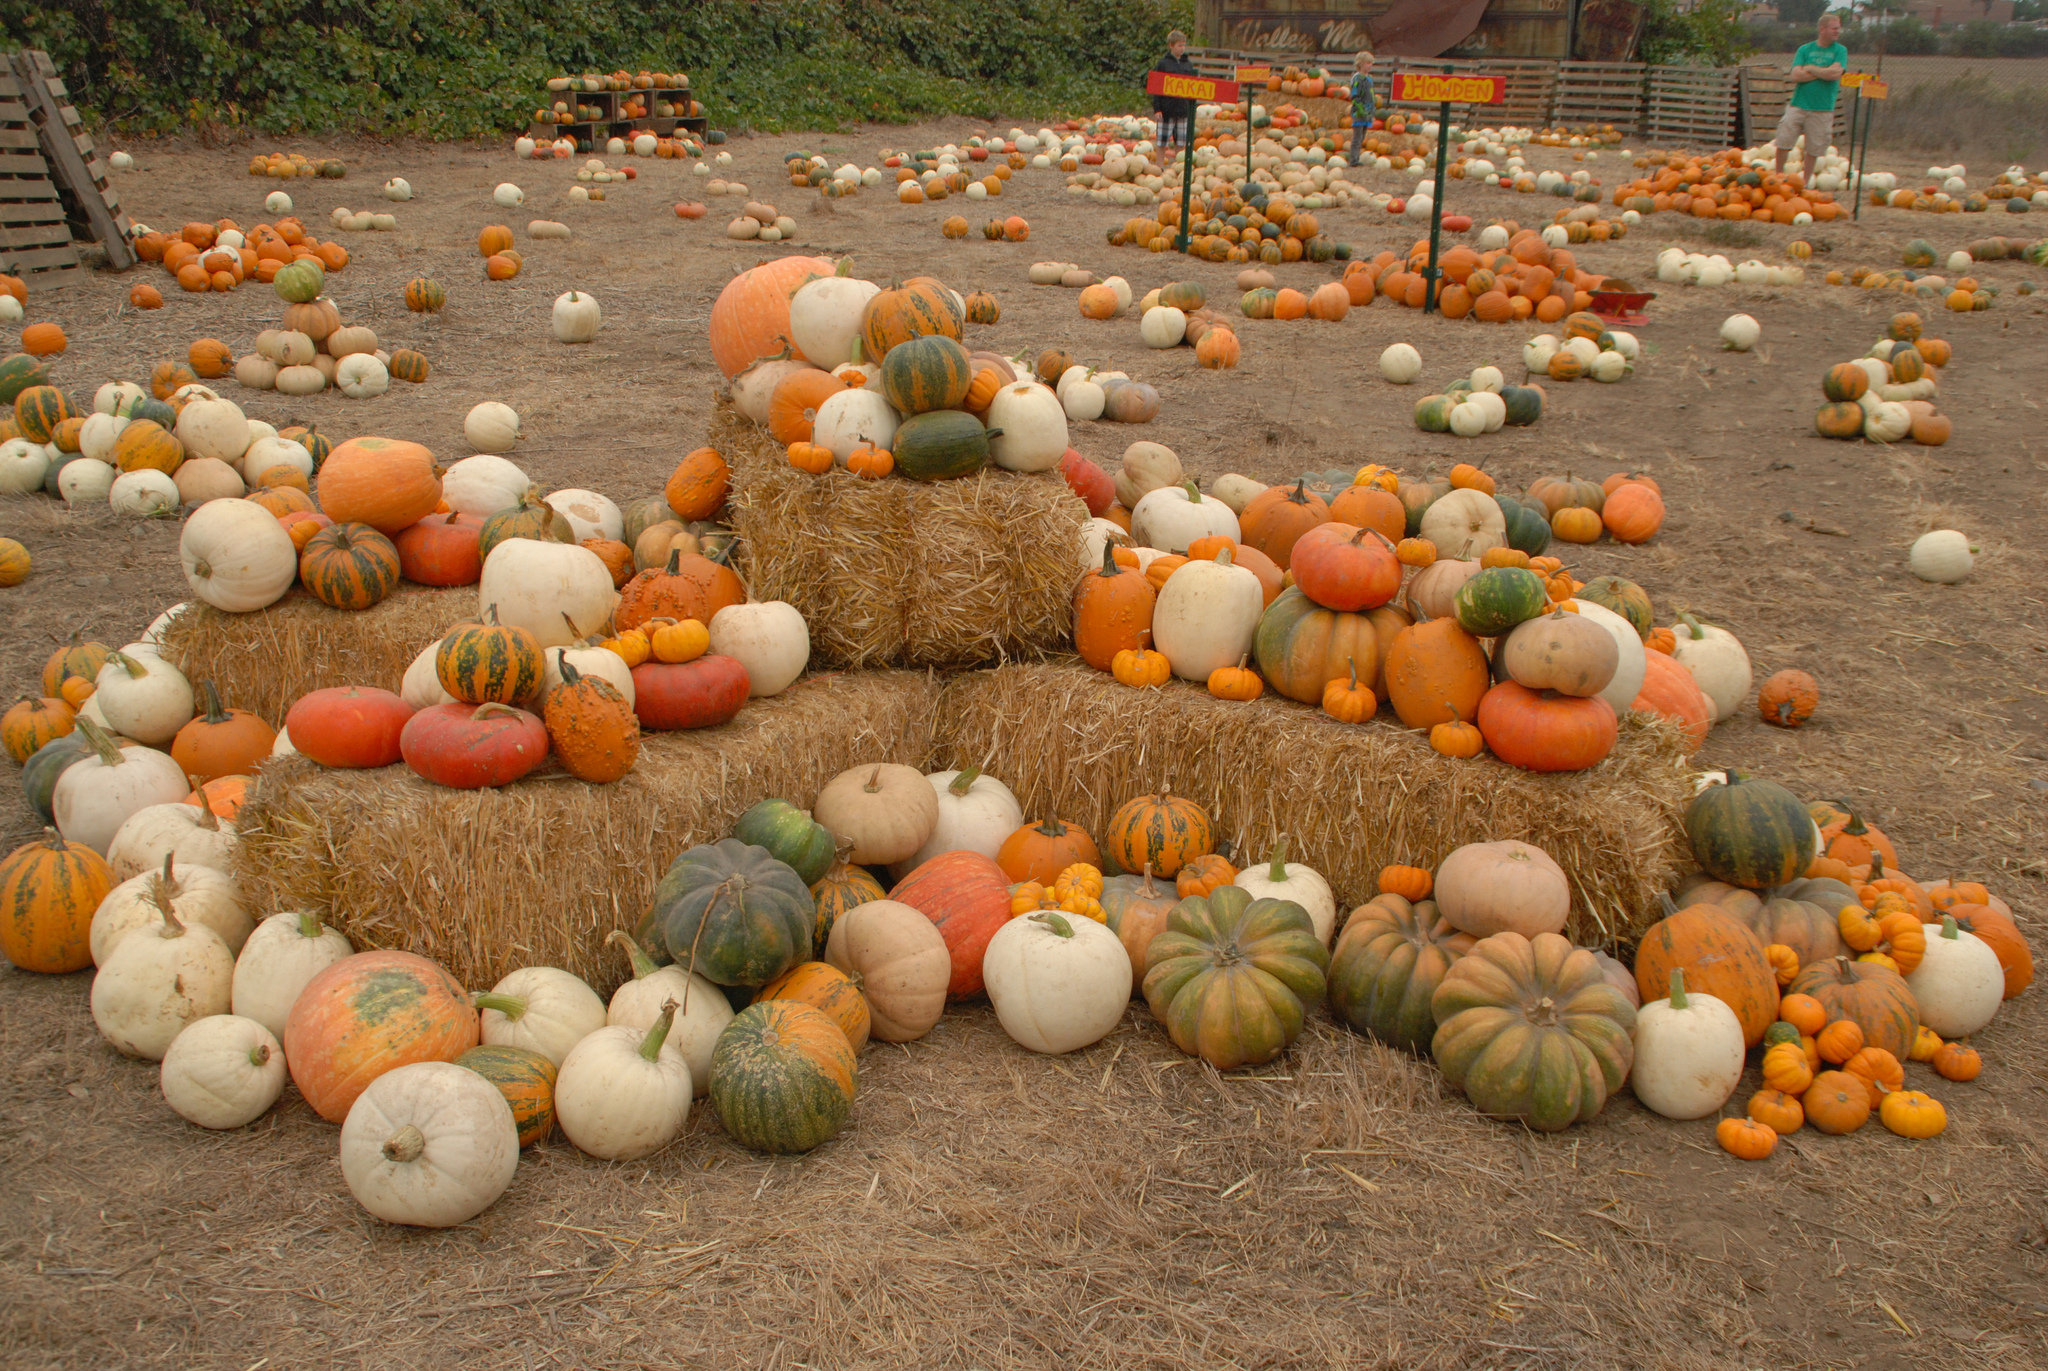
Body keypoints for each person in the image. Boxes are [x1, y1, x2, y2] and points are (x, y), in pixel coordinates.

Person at [1774, 11, 1847, 175]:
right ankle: (1778, 176)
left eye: (1838, 28)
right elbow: (1795, 75)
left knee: (1814, 149)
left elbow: (1835, 74)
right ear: (1823, 29)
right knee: (1783, 141)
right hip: (1798, 105)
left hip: (1822, 108)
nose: (1837, 31)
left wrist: (1811, 68)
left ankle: (1805, 183)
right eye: (1834, 28)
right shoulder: (1805, 49)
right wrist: (1824, 71)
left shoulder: (1840, 51)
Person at [1153, 30, 1196, 152]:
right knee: (1162, 141)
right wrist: (1157, 109)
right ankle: (1159, 166)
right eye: (1179, 45)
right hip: (1167, 109)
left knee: (1181, 141)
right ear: (1171, 45)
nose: (1182, 48)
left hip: (1183, 109)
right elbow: (1156, 87)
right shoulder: (1163, 64)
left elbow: (1193, 87)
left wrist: (1191, 108)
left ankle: (1178, 166)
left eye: (1184, 45)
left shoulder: (1188, 64)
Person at [1347, 50, 1377, 165]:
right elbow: (1355, 95)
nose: (1370, 65)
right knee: (1357, 137)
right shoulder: (1358, 79)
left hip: (1368, 112)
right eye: (1368, 63)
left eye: (1371, 63)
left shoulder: (1369, 78)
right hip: (1359, 113)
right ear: (1361, 64)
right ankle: (1353, 160)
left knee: (1362, 136)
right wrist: (1360, 109)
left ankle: (1357, 158)